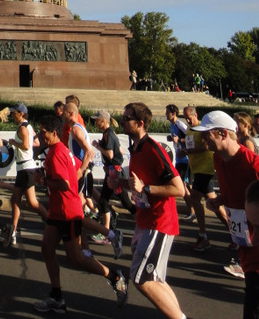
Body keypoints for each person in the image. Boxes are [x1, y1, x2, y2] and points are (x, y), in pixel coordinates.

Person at [33, 114, 128, 314]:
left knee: (77, 259)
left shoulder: (57, 152)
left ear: (53, 133)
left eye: (43, 133)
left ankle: (115, 277)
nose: (40, 136)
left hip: (67, 213)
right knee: (47, 249)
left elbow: (64, 184)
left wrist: (43, 181)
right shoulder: (61, 151)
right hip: (59, 210)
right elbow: (76, 169)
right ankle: (56, 297)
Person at [117, 102, 188, 319]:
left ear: (139, 123)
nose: (122, 121)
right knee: (154, 278)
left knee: (141, 279)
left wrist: (145, 188)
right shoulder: (136, 148)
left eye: (127, 118)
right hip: (146, 221)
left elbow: (180, 189)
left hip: (160, 222)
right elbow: (140, 185)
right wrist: (118, 182)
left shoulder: (153, 149)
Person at [194, 110, 259, 319]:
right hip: (244, 244)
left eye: (207, 134)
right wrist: (220, 200)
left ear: (222, 134)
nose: (203, 139)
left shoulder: (252, 163)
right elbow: (233, 191)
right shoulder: (218, 160)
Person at [2, 103, 47, 248]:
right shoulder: (28, 127)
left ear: (21, 113)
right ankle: (13, 230)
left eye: (14, 112)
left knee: (32, 202)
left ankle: (52, 223)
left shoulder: (22, 128)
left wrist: (14, 142)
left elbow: (27, 145)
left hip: (26, 169)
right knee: (15, 199)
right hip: (24, 168)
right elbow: (37, 142)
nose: (12, 115)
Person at [183, 104, 226, 251]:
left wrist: (190, 151)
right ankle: (235, 234)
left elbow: (207, 147)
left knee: (194, 197)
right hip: (197, 169)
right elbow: (190, 145)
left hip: (205, 168)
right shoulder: (189, 129)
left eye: (189, 118)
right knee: (214, 203)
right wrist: (185, 149)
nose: (187, 121)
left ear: (195, 115)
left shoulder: (202, 128)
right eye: (186, 119)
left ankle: (203, 235)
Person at [90, 109, 136, 237]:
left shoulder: (108, 134)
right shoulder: (112, 133)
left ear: (103, 121)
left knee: (106, 201)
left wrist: (97, 146)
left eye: (97, 120)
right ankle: (108, 228)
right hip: (114, 170)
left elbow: (110, 154)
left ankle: (106, 232)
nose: (95, 123)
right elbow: (120, 151)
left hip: (113, 172)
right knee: (117, 200)